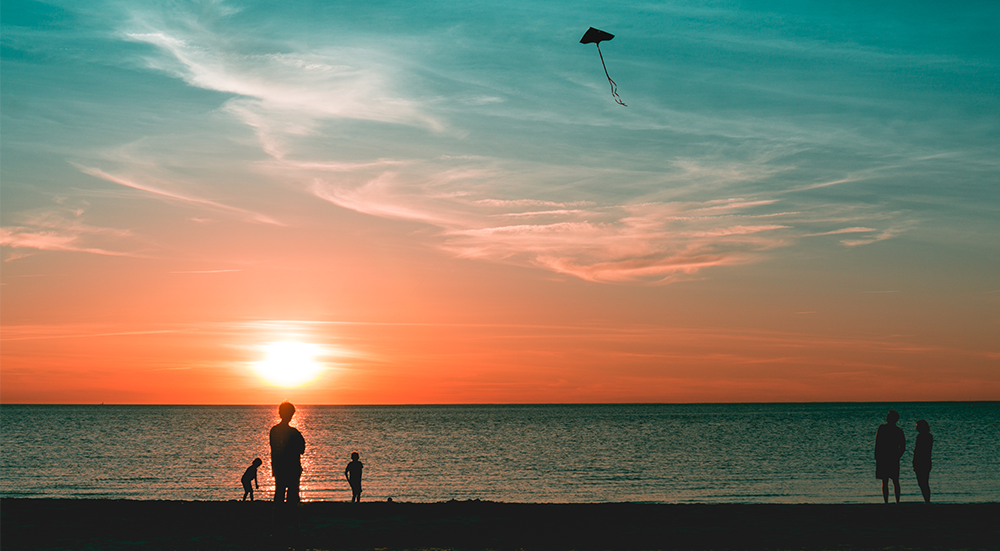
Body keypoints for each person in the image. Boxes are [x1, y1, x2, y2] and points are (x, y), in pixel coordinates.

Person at [270, 402, 306, 503]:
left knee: (279, 494)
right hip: (292, 468)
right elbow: (302, 449)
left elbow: (273, 448)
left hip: (279, 467)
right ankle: (291, 516)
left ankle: (278, 516)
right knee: (293, 496)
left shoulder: (274, 430)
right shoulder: (294, 432)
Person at [874, 410, 906, 503]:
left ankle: (888, 501)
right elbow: (903, 447)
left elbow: (878, 443)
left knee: (888, 481)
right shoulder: (898, 430)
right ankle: (896, 501)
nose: (887, 417)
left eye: (888, 416)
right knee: (893, 481)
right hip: (890, 458)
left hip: (886, 457)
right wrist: (897, 456)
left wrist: (877, 456)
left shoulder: (883, 428)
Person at [912, 419, 933, 504]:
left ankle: (927, 500)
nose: (916, 428)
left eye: (917, 427)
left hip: (921, 461)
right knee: (925, 482)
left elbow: (917, 450)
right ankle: (927, 500)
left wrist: (914, 462)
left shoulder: (920, 437)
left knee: (922, 482)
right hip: (927, 461)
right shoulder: (929, 436)